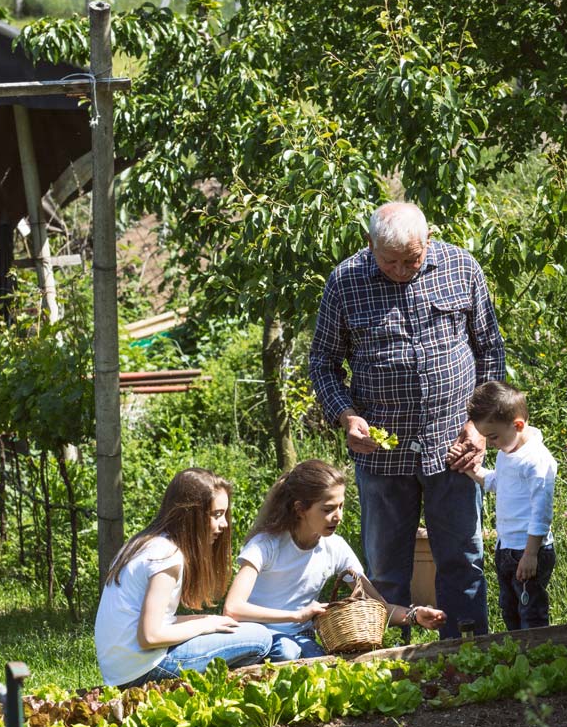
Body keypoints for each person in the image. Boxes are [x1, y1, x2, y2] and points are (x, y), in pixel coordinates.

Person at [309, 201, 505, 638]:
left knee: (462, 558)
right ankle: (387, 667)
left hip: (455, 448)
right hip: (380, 459)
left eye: (411, 259)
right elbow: (323, 362)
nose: (401, 269)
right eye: (389, 260)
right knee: (384, 569)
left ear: (428, 241)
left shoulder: (462, 267)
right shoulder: (345, 282)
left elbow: (490, 349)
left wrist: (479, 425)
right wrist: (346, 416)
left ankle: (467, 655)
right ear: (369, 245)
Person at [224, 459, 447, 660]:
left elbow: (378, 606)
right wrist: (296, 615)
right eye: (328, 509)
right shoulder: (266, 545)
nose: (338, 516)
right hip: (255, 633)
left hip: (300, 636)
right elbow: (233, 608)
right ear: (300, 509)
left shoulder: (335, 547)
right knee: (287, 652)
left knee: (323, 660)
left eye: (341, 506)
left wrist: (415, 615)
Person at [94, 468, 273, 688]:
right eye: (216, 514)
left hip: (122, 669)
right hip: (143, 670)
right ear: (191, 514)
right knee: (260, 638)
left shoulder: (145, 544)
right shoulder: (167, 556)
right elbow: (149, 636)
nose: (224, 523)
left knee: (228, 626)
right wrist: (204, 625)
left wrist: (207, 620)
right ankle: (207, 695)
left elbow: (153, 624)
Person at [455, 381, 557, 631]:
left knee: (531, 612)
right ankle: (518, 661)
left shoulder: (536, 460)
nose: (490, 444)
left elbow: (541, 513)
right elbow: (496, 482)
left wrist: (531, 553)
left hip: (529, 549)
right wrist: (471, 470)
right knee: (510, 610)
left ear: (518, 424)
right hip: (507, 549)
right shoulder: (508, 452)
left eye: (493, 437)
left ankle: (536, 660)